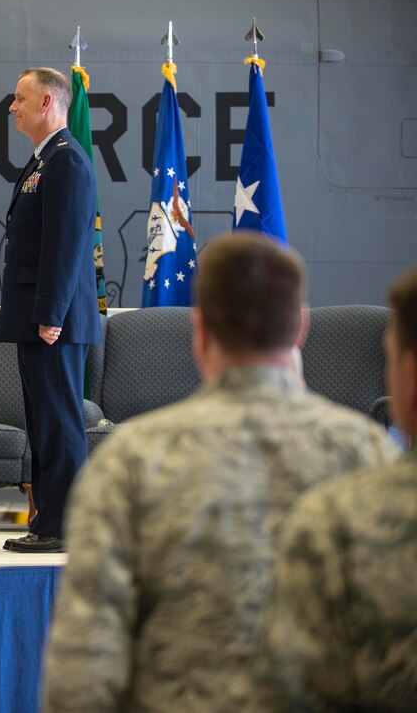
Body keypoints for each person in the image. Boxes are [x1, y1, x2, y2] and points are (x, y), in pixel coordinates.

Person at [41, 233, 399, 710]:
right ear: (300, 327)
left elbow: (83, 671)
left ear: (200, 328)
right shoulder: (366, 455)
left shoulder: (132, 461)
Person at [257, 265, 417, 710]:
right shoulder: (365, 459)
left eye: (389, 358)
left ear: (409, 374)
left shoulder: (337, 520)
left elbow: (293, 687)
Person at [0, 67, 101, 553]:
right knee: (43, 423)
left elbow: (65, 244)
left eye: (20, 98)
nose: (12, 107)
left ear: (46, 102)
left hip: (52, 319)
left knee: (58, 423)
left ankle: (66, 527)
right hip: (38, 313)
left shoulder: (67, 160)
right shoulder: (45, 158)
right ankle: (47, 522)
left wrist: (52, 313)